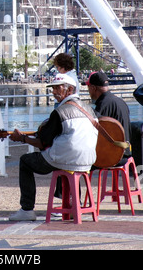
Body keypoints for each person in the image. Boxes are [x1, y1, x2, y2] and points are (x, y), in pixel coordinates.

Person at [8, 73, 98, 221]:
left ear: (70, 90)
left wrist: (22, 138)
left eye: (58, 88)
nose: (54, 92)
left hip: (66, 159)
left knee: (25, 161)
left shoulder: (60, 112)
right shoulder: (89, 108)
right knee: (62, 155)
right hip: (88, 160)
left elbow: (42, 142)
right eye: (53, 89)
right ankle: (73, 204)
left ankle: (27, 209)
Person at [82, 71, 132, 162]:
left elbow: (95, 132)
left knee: (73, 159)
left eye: (88, 87)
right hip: (126, 153)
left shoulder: (103, 104)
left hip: (113, 156)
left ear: (93, 88)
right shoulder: (120, 101)